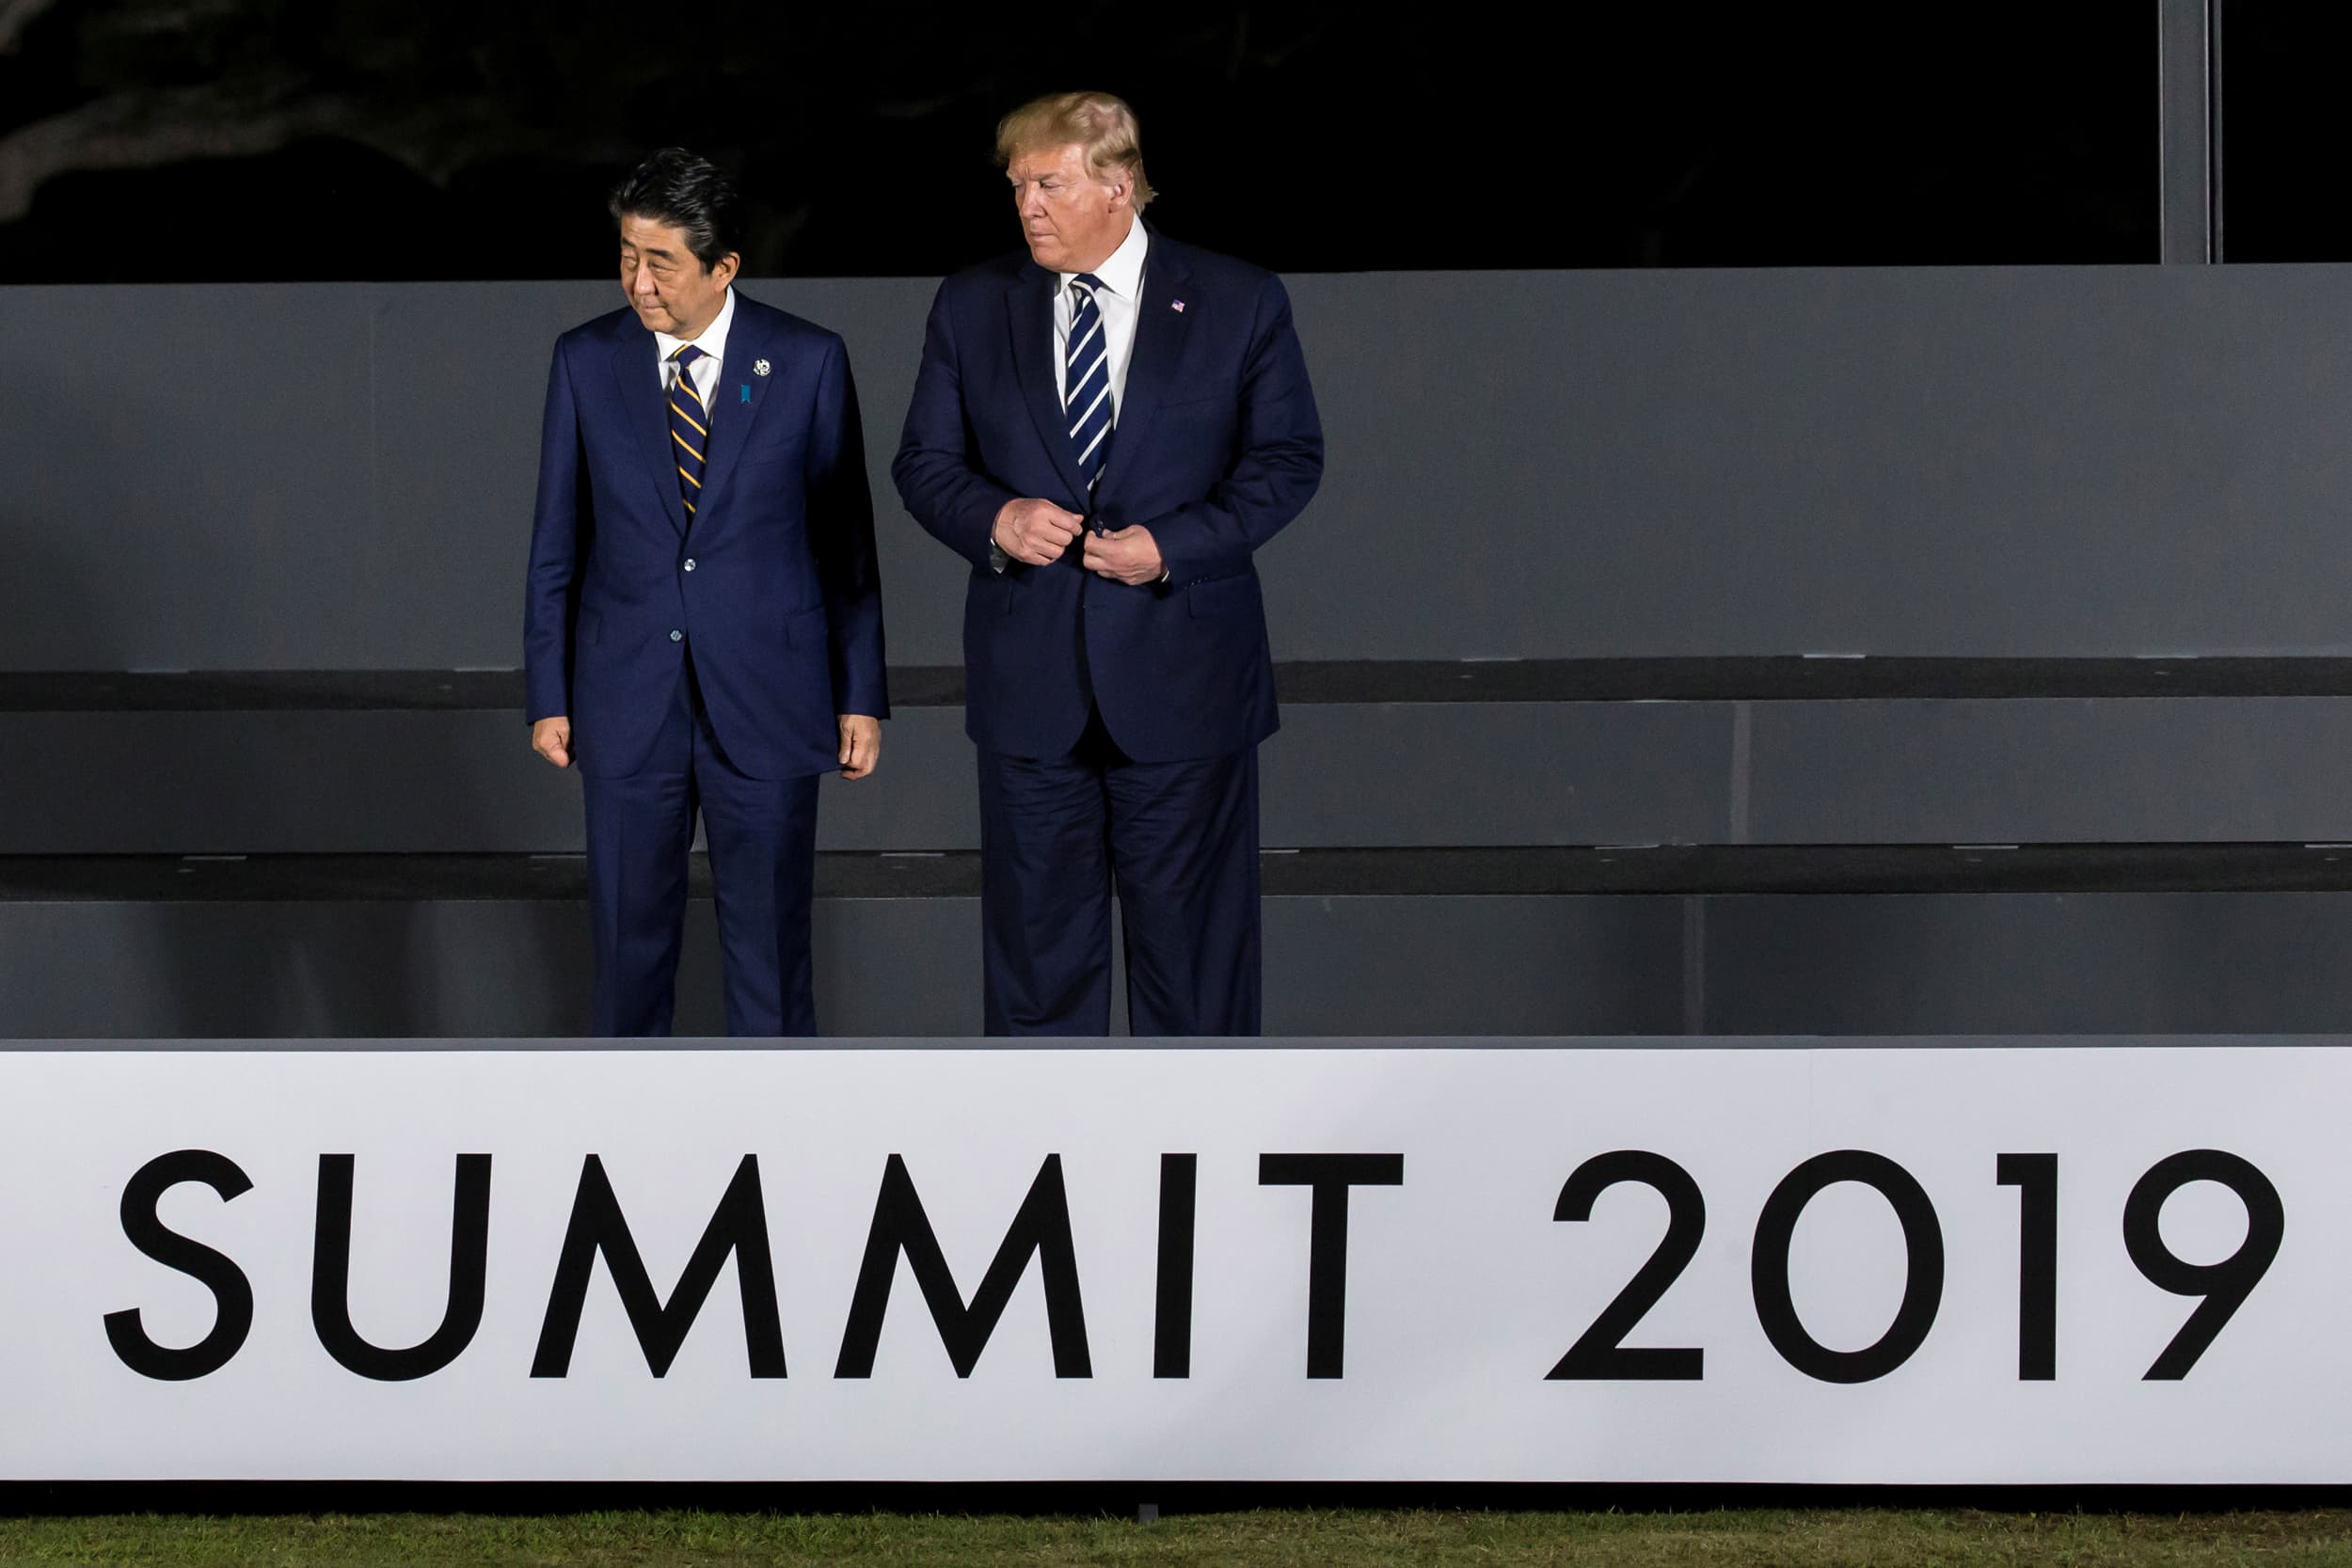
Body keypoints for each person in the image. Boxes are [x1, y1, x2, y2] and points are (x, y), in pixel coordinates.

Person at [893, 91, 1323, 1037]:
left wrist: (1173, 544)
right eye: (1017, 188)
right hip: (1030, 694)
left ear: (1119, 186)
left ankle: (1199, 1169)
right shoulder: (973, 304)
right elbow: (923, 463)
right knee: (1036, 974)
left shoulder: (1238, 299)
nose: (1027, 206)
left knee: (1194, 977)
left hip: (1185, 686)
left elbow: (1287, 459)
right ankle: (1048, 1169)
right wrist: (996, 518)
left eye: (1048, 184)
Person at [523, 148, 886, 1037]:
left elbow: (847, 547)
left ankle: (776, 1147)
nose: (637, 281)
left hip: (769, 696)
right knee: (625, 954)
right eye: (625, 255)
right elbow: (555, 545)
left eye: (660, 262)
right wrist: (548, 694)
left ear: (724, 267)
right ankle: (625, 1147)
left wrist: (861, 695)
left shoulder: (807, 361)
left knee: (769, 956)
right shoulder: (584, 361)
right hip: (624, 703)